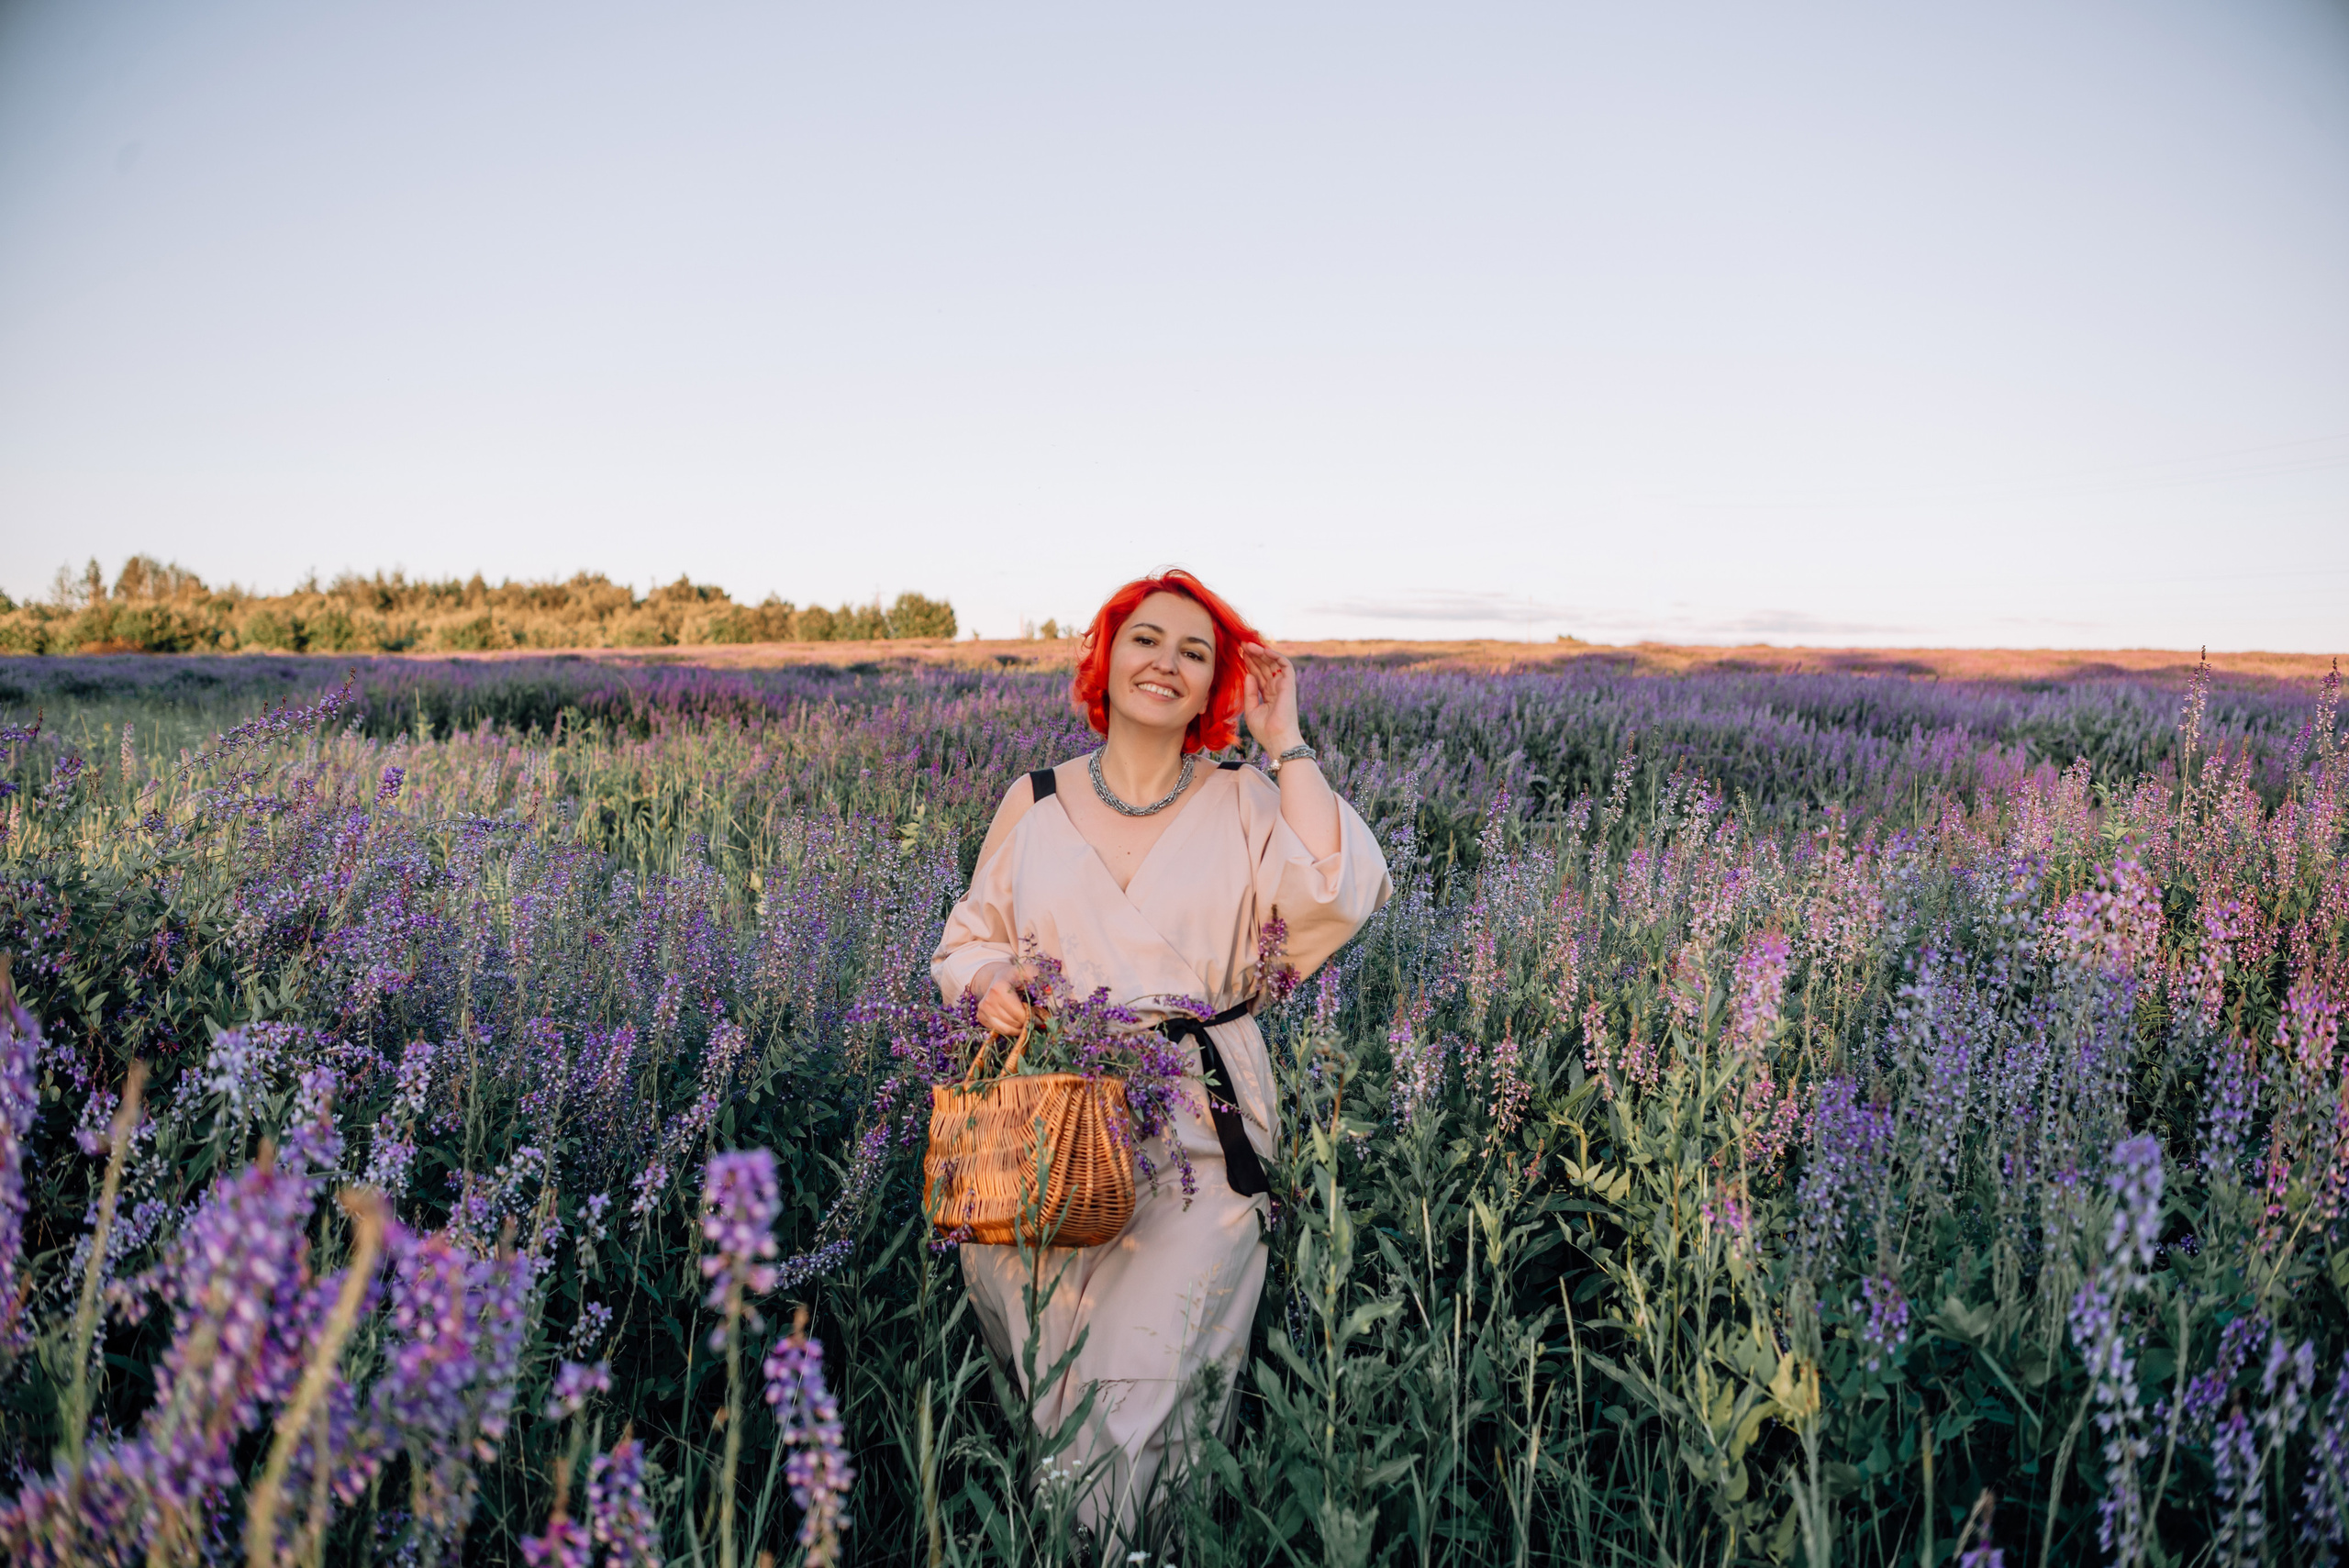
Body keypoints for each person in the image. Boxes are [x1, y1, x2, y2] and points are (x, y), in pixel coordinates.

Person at [930, 568, 1391, 1541]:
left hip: (1196, 1126)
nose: (1166, 662)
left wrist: (1286, 739)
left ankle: (1121, 1545)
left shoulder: (1244, 796)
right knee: (1053, 1374)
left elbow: (1336, 890)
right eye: (1147, 638)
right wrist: (984, 984)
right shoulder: (1037, 798)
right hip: (1043, 1122)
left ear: (1216, 681)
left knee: (1148, 1367)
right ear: (1107, 654)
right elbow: (967, 934)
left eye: (1195, 650)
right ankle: (1092, 1541)